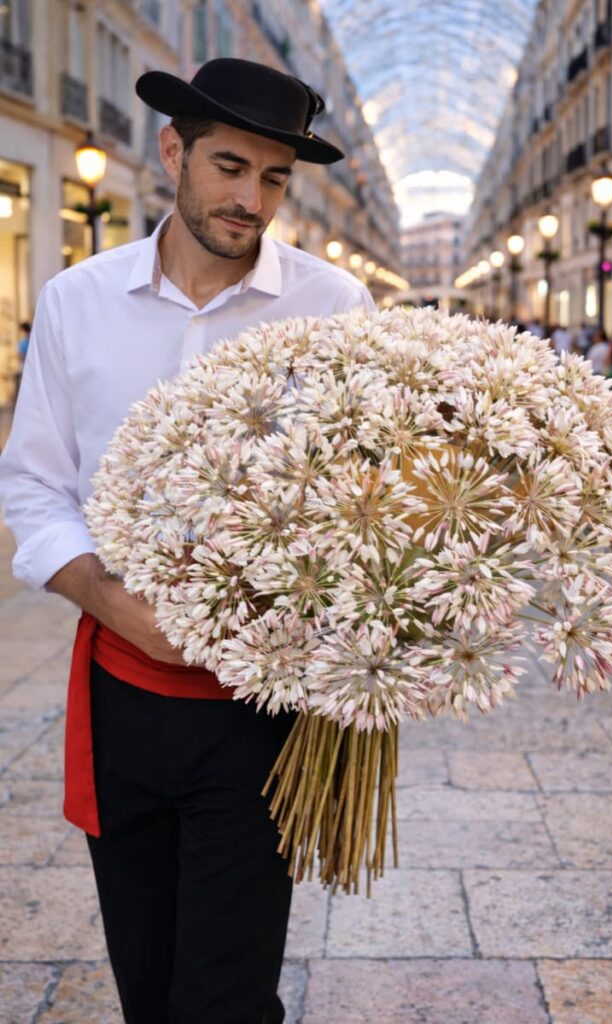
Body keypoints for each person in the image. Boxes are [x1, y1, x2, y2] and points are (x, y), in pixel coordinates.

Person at [0, 58, 374, 1024]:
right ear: (173, 152)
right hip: (120, 694)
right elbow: (34, 483)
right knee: (147, 982)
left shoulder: (333, 310)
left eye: (275, 178)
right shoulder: (79, 299)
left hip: (263, 709)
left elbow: (363, 501)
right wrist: (105, 596)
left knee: (226, 997)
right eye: (229, 167)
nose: (251, 200)